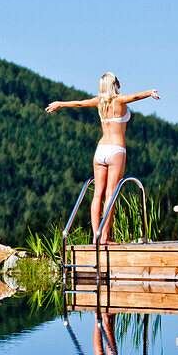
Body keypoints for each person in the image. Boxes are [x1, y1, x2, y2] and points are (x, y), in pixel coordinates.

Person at [45, 73, 158, 243]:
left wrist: (60, 104)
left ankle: (95, 237)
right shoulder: (119, 100)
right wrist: (149, 92)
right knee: (111, 193)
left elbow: (79, 103)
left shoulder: (99, 101)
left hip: (100, 150)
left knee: (98, 194)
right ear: (115, 84)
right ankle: (105, 236)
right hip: (116, 149)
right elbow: (134, 97)